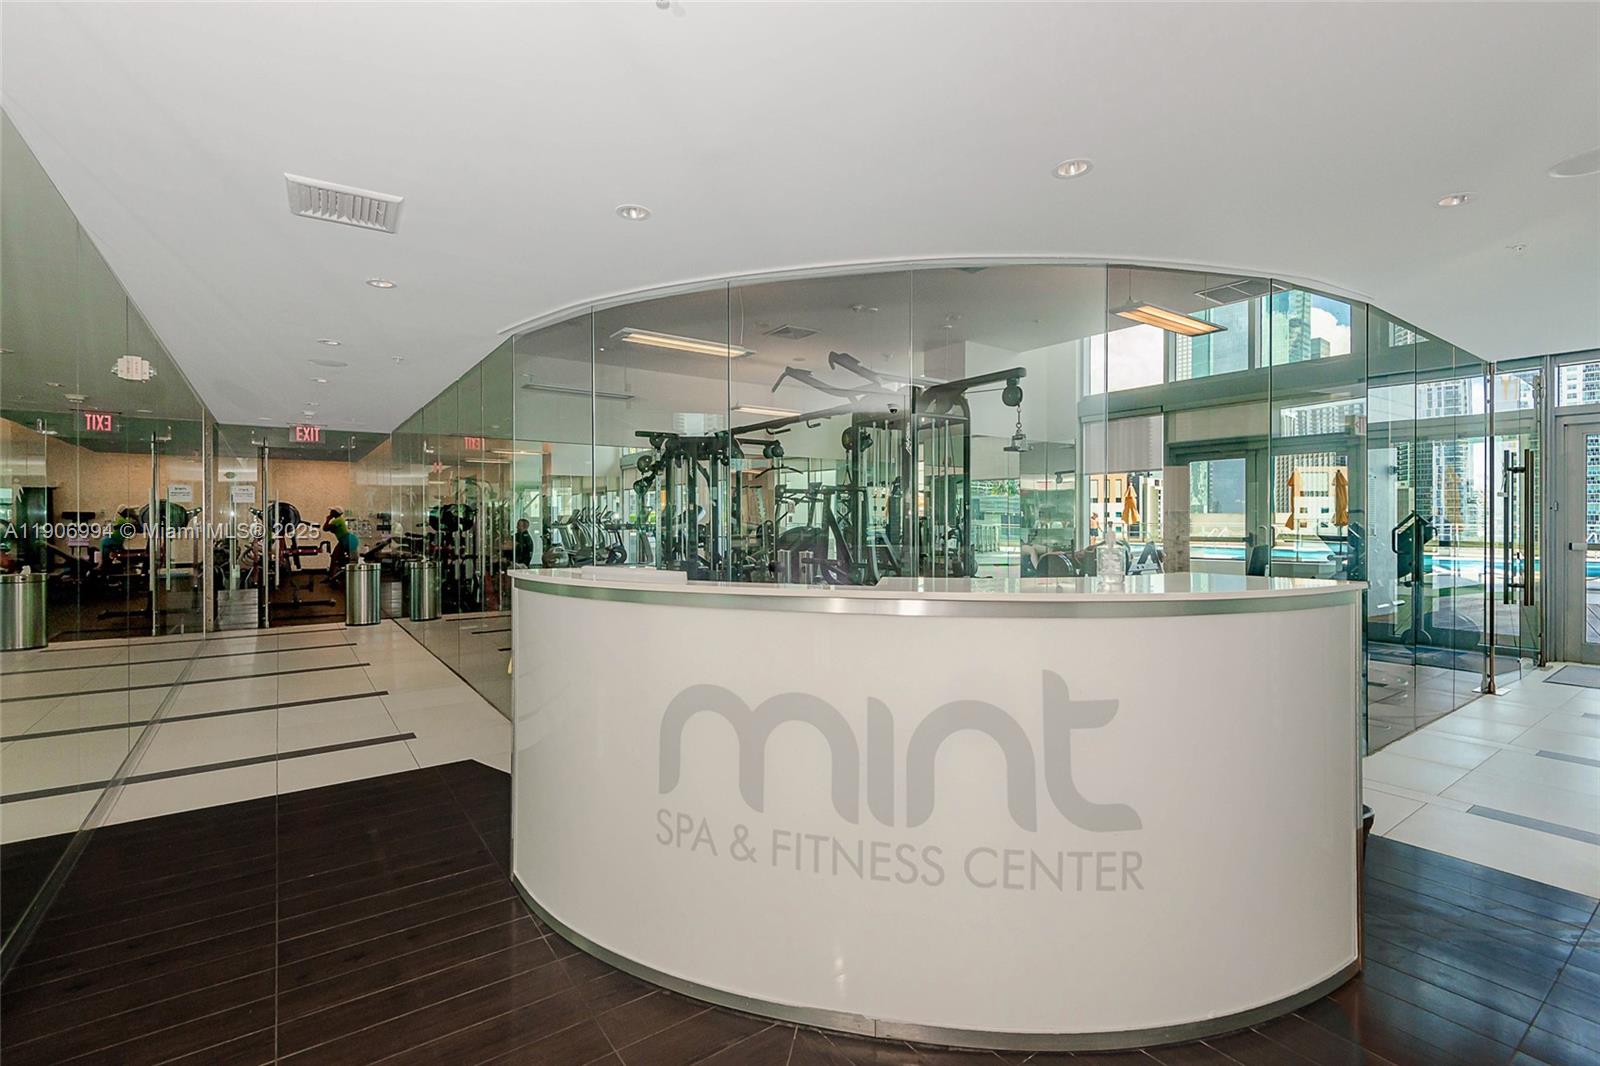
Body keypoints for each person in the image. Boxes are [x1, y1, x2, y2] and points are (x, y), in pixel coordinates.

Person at [324, 508, 358, 587]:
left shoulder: (338, 520)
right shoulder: (339, 520)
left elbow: (325, 528)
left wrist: (327, 519)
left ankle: (334, 577)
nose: (330, 512)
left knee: (339, 558)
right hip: (345, 540)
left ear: (336, 513)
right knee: (335, 557)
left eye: (332, 511)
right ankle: (333, 576)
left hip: (346, 540)